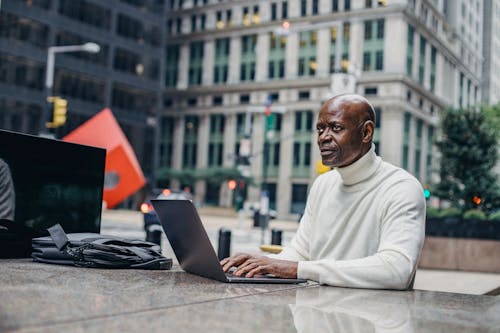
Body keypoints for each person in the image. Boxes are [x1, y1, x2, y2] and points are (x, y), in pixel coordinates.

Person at [220, 94, 426, 290]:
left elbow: (398, 270)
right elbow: (300, 251)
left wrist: (298, 269)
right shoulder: (323, 184)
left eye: (336, 128)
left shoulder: (401, 188)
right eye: (320, 129)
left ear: (366, 132)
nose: (323, 138)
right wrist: (258, 266)